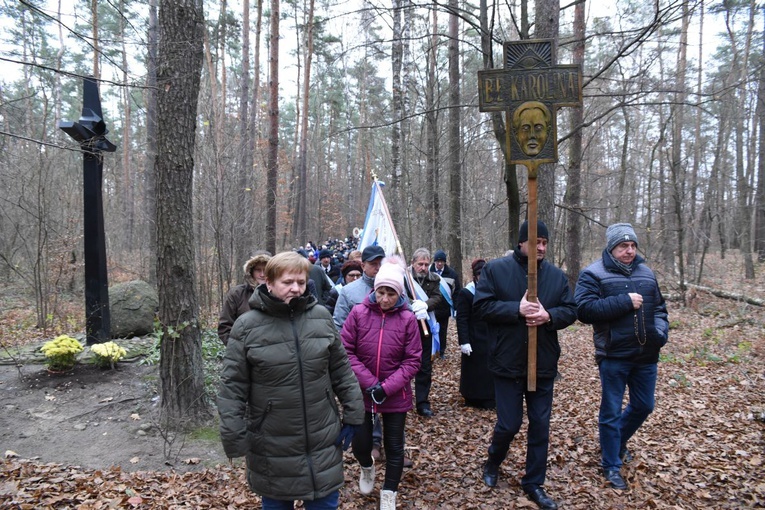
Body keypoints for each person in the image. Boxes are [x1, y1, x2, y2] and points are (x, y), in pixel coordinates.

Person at [218, 251, 364, 510]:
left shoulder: (320, 318)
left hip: (322, 437)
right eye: (287, 282)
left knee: (325, 503)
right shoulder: (246, 326)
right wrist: (233, 434)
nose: (295, 288)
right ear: (269, 283)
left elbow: (341, 370)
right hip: (272, 441)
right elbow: (233, 386)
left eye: (301, 282)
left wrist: (354, 414)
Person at [473, 220, 577, 510]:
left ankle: (534, 482)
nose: (541, 247)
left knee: (540, 425)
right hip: (507, 361)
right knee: (509, 423)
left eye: (544, 242)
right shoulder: (496, 270)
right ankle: (493, 461)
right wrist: (514, 309)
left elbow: (571, 310)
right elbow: (480, 308)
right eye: (536, 241)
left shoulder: (556, 277)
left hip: (543, 362)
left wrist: (550, 316)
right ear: (521, 242)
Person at [574, 223, 669, 491]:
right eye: (622, 246)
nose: (629, 251)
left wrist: (660, 333)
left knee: (644, 406)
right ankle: (611, 465)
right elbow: (584, 309)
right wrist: (625, 301)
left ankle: (614, 443)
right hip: (614, 355)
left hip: (646, 355)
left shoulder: (647, 273)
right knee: (611, 411)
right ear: (611, 247)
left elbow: (660, 308)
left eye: (632, 246)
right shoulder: (593, 274)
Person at [341, 258, 422, 510]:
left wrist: (386, 387)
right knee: (361, 443)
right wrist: (370, 383)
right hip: (363, 392)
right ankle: (366, 467)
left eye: (391, 293)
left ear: (399, 294)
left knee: (394, 446)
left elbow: (413, 360)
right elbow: (346, 350)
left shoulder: (407, 319)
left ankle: (389, 491)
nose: (385, 299)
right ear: (374, 290)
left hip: (395, 394)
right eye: (381, 292)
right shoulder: (358, 313)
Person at [408, 248, 445, 417]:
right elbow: (398, 295)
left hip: (426, 327)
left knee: (425, 366)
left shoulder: (434, 279)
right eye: (420, 264)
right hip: (405, 328)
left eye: (426, 264)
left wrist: (425, 305)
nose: (423, 267)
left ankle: (422, 402)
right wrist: (411, 305)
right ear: (413, 263)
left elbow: (438, 297)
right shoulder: (404, 278)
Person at [455, 258, 495, 409]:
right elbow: (462, 318)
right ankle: (471, 396)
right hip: (473, 337)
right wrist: (464, 341)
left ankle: (489, 397)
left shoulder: (492, 290)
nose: (481, 277)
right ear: (474, 275)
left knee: (488, 370)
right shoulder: (467, 292)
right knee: (473, 370)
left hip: (489, 336)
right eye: (479, 274)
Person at [217, 252, 271, 345]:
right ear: (251, 272)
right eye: (258, 270)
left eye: (265, 270)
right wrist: (241, 350)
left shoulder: (281, 293)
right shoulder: (237, 294)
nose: (262, 274)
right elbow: (225, 327)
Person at [429, 249, 461, 358]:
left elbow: (456, 292)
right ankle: (431, 351)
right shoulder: (428, 271)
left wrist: (456, 308)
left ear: (444, 262)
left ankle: (441, 351)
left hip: (444, 308)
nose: (439, 263)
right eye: (437, 261)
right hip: (430, 308)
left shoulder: (452, 274)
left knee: (442, 331)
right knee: (430, 330)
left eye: (441, 261)